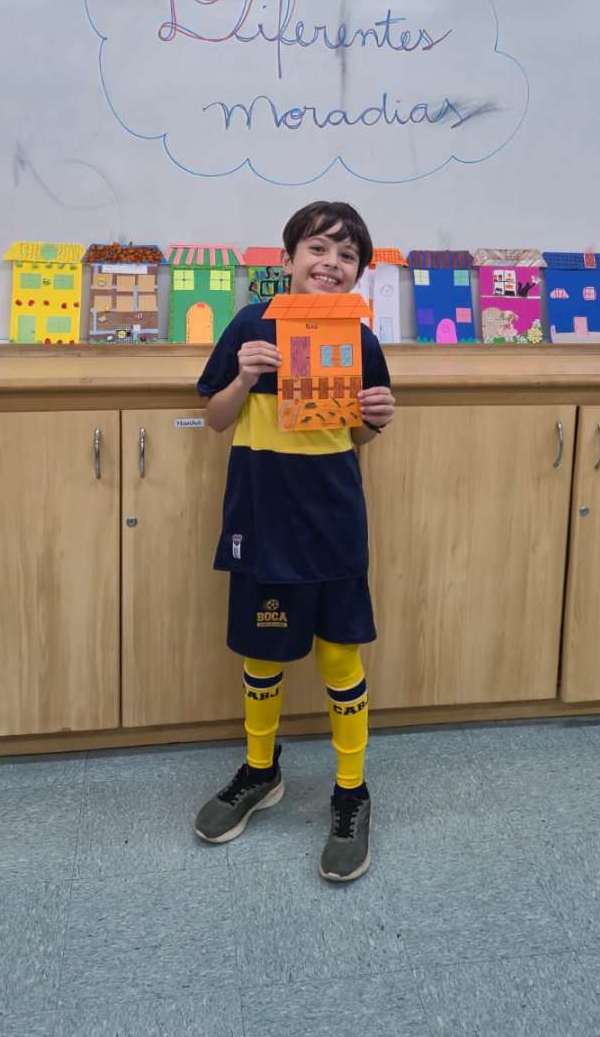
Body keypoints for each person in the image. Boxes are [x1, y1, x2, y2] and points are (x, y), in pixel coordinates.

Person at [193, 201, 395, 882]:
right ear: (287, 260)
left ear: (359, 273)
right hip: (263, 517)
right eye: (318, 248)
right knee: (262, 653)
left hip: (333, 519)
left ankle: (351, 791)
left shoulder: (361, 339)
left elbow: (357, 432)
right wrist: (244, 377)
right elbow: (215, 418)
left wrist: (377, 418)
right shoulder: (251, 325)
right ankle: (261, 771)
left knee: (340, 655)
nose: (331, 262)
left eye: (347, 255)